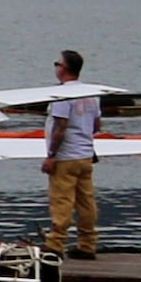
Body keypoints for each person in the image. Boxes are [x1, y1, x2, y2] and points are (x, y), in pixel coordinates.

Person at [42, 50, 105, 257]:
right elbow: (96, 125)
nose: (56, 68)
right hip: (85, 155)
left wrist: (51, 155)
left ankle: (56, 244)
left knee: (62, 201)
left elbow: (60, 127)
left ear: (64, 68)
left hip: (65, 157)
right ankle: (87, 244)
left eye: (57, 64)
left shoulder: (62, 95)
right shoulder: (91, 94)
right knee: (86, 201)